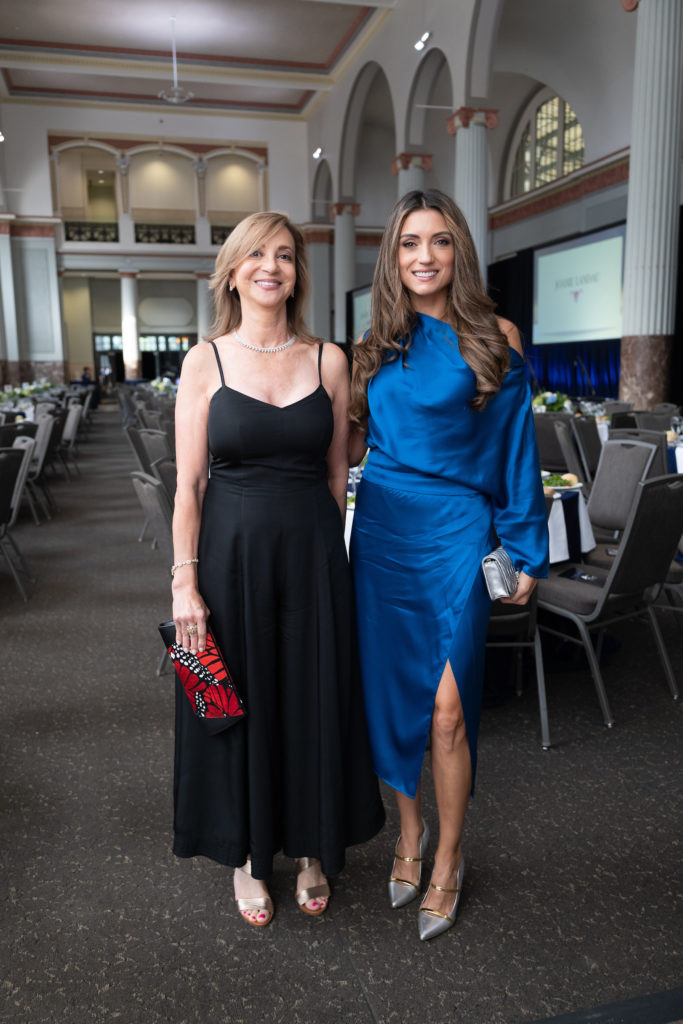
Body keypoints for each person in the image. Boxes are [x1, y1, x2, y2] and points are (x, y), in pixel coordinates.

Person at [171, 211, 384, 929]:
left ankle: (313, 848)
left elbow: (335, 477)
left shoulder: (328, 358)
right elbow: (189, 485)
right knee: (239, 705)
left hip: (314, 558)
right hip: (229, 560)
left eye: (286, 255)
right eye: (256, 253)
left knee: (313, 699)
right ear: (232, 269)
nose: (272, 266)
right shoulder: (205, 361)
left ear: (298, 272)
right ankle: (247, 855)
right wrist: (184, 582)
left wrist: (335, 562)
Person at [348, 189, 548, 941]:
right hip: (382, 531)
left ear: (457, 251)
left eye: (437, 241)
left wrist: (525, 544)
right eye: (407, 242)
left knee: (447, 708)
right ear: (392, 257)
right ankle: (408, 835)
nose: (423, 256)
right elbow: (356, 448)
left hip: (457, 529)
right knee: (393, 698)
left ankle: (449, 857)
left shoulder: (494, 337)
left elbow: (515, 451)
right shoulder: (374, 345)